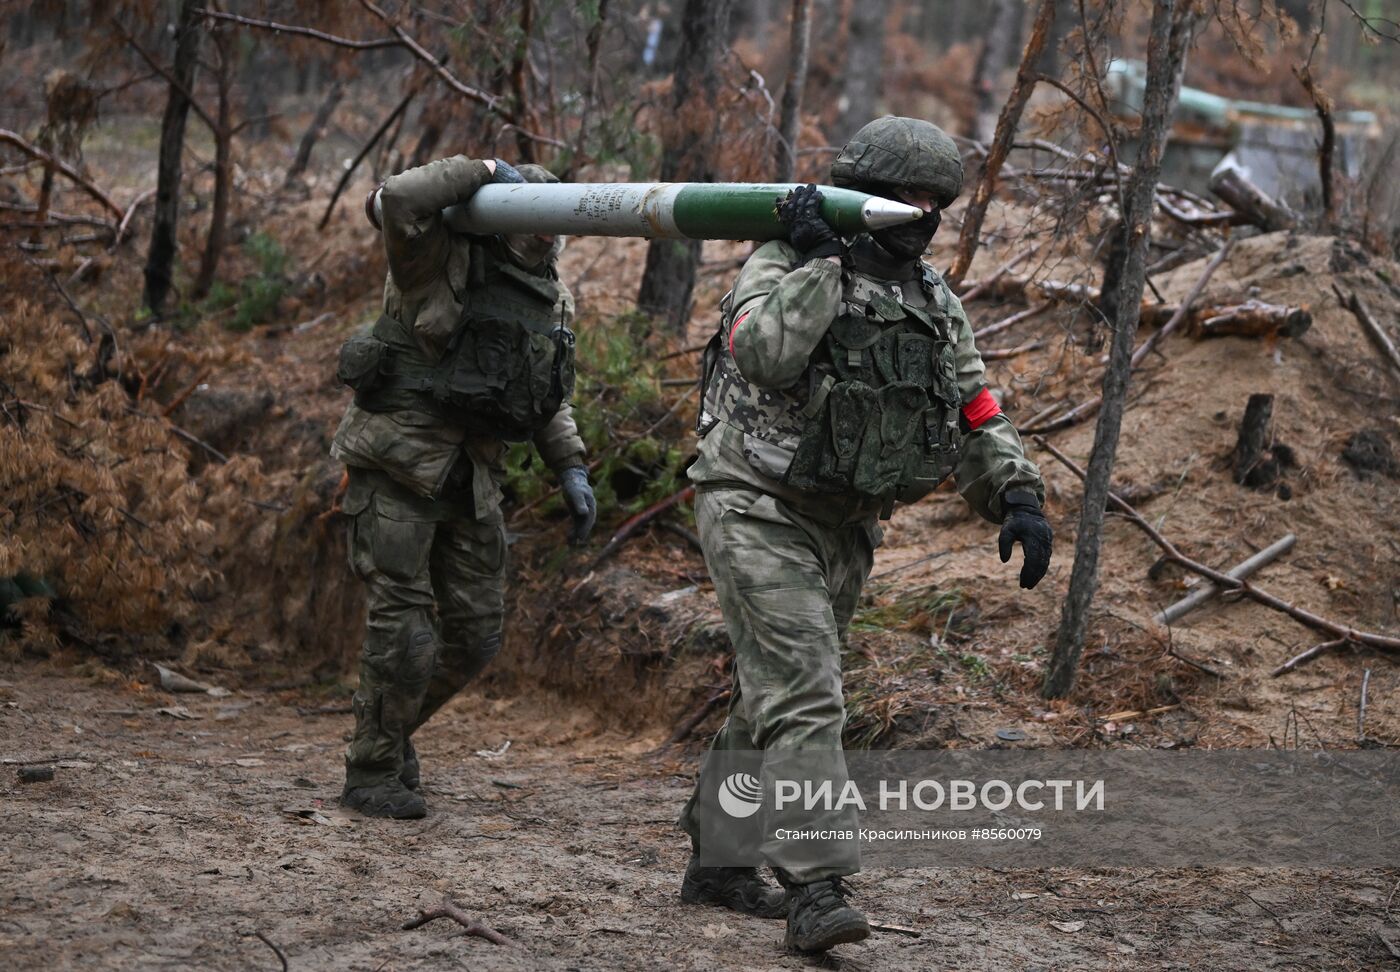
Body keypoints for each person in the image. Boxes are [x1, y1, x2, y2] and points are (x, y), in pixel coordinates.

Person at [676, 116, 1053, 952]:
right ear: (860, 195)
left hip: (845, 524)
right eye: (900, 197)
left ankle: (719, 856)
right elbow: (764, 355)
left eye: (932, 202)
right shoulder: (781, 262)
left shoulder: (932, 300)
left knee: (771, 694)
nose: (917, 213)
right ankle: (817, 884)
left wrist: (1017, 493)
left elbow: (973, 404)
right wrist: (819, 263)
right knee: (806, 690)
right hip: (754, 502)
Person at [330, 157, 597, 819]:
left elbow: (548, 394)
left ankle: (388, 737)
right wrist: (485, 168)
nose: (544, 236)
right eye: (533, 221)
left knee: (476, 638)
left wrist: (571, 467)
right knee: (409, 633)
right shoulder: (435, 262)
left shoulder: (552, 295)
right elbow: (400, 196)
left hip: (470, 480)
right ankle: (371, 771)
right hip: (398, 464)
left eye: (552, 225)